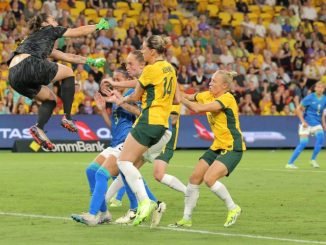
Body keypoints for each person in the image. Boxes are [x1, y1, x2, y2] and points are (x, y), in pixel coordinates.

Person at [7, 13, 113, 150]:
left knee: (51, 99)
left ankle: (38, 128)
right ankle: (67, 117)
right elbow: (77, 32)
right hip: (28, 64)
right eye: (53, 19)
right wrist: (97, 26)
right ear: (45, 23)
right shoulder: (49, 30)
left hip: (14, 77)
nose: (56, 21)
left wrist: (91, 61)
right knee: (69, 73)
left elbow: (67, 56)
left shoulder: (36, 40)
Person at [103, 50, 186, 226]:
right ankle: (152, 205)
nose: (127, 67)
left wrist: (121, 98)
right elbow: (177, 99)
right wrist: (120, 94)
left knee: (124, 164)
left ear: (145, 61)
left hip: (152, 125)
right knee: (127, 170)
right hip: (162, 130)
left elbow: (137, 97)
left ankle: (141, 204)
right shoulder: (164, 72)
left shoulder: (151, 73)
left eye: (130, 64)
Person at [71, 68, 158, 226]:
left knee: (102, 175)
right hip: (115, 143)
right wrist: (103, 109)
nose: (114, 84)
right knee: (92, 171)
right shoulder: (115, 98)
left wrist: (121, 102)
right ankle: (105, 213)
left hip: (128, 142)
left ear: (125, 80)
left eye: (118, 79)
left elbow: (141, 114)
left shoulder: (133, 93)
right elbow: (113, 125)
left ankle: (93, 214)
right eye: (113, 80)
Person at [173, 70, 246, 228]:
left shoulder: (227, 98)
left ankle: (233, 208)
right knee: (194, 178)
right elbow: (187, 96)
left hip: (232, 146)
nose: (210, 83)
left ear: (225, 85)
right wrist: (173, 89)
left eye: (214, 81)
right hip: (217, 145)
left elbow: (198, 109)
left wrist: (181, 99)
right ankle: (186, 218)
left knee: (209, 179)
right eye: (210, 80)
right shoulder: (207, 94)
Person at [286, 81, 326, 169]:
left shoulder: (325, 99)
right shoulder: (309, 98)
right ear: (315, 88)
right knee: (303, 143)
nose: (320, 89)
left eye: (322, 87)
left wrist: (324, 123)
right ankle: (290, 163)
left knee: (321, 137)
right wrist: (303, 121)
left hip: (316, 124)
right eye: (318, 87)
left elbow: (322, 111)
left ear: (324, 89)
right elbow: (298, 109)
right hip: (306, 123)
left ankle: (313, 160)